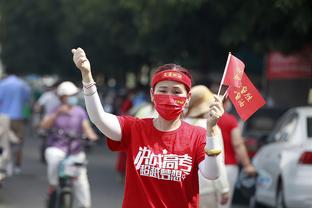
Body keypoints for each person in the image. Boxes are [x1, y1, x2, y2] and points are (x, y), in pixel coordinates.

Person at [71, 47, 225, 208]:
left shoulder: (198, 135)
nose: (169, 97)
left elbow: (212, 173)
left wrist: (212, 130)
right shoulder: (134, 128)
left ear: (187, 98)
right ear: (152, 94)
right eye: (163, 90)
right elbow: (98, 118)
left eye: (177, 92)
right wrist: (87, 76)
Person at [40, 81, 98, 208]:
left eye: (74, 94)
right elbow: (44, 125)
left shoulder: (80, 112)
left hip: (75, 151)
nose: (73, 97)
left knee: (82, 182)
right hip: (57, 148)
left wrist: (92, 137)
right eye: (69, 95)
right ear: (62, 97)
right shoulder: (54, 110)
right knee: (53, 159)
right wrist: (57, 114)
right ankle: (53, 186)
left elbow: (86, 128)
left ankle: (84, 205)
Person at [184, 85, 230, 208]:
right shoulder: (211, 128)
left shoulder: (179, 125)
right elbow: (218, 160)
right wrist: (224, 188)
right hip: (206, 189)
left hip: (183, 189)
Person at [217, 98, 257, 208]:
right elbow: (238, 144)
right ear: (225, 104)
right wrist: (247, 165)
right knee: (223, 203)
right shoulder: (230, 120)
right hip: (227, 167)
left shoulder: (203, 119)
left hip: (204, 168)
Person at [0, 68, 31, 174]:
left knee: (4, 142)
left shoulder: (3, 84)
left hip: (3, 117)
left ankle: (6, 164)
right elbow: (27, 101)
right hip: (18, 117)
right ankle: (17, 165)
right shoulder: (23, 85)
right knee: (18, 142)